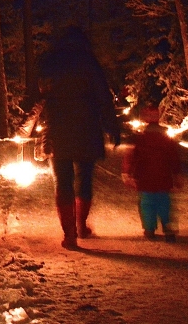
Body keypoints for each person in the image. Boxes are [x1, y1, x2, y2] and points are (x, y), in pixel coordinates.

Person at [36, 26, 120, 250]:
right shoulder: (89, 62)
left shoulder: (50, 63)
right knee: (84, 178)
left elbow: (37, 97)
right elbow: (103, 97)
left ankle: (70, 235)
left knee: (62, 181)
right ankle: (81, 226)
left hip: (58, 130)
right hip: (87, 128)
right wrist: (112, 126)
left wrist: (23, 127)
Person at [122, 104, 182, 241]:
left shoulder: (139, 138)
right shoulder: (166, 138)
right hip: (163, 178)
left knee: (147, 205)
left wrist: (127, 172)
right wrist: (177, 173)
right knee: (165, 205)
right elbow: (174, 157)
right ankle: (168, 230)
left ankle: (149, 230)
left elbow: (131, 155)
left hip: (144, 179)